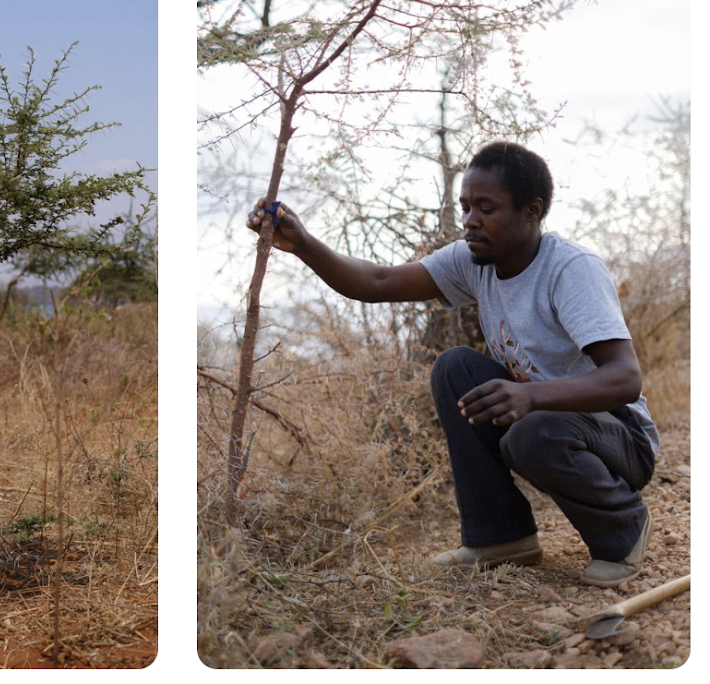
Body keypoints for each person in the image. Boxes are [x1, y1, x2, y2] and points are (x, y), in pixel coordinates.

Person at [245, 141, 657, 588]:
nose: (470, 221)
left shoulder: (571, 270)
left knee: (532, 432)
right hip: (547, 418)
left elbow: (624, 378)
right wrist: (302, 242)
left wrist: (530, 395)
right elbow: (376, 282)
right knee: (455, 368)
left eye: (486, 208)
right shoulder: (474, 259)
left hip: (619, 437)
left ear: (531, 211)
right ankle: (500, 536)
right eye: (465, 207)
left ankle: (623, 528)